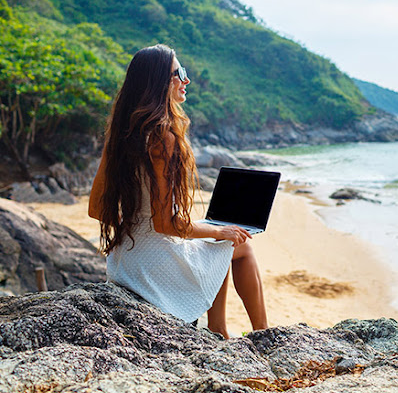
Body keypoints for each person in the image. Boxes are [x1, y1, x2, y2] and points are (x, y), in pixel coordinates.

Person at [88, 44, 267, 338]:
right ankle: (263, 334)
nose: (186, 80)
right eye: (178, 73)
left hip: (124, 261)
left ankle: (218, 329)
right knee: (241, 247)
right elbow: (165, 224)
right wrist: (218, 231)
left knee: (215, 248)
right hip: (153, 266)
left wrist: (134, 223)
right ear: (159, 81)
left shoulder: (120, 134)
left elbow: (96, 208)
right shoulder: (163, 138)